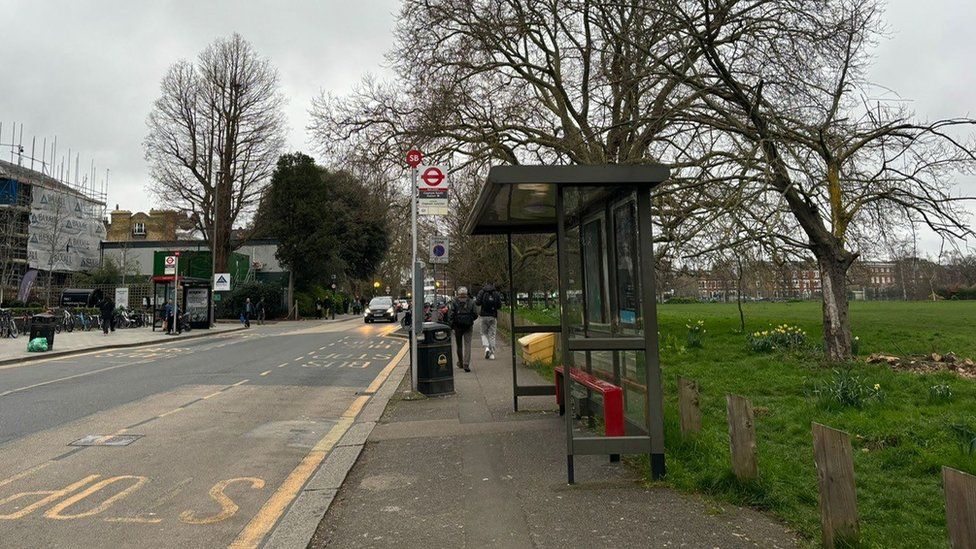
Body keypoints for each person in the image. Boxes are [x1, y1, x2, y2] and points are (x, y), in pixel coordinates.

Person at [448, 287, 478, 372]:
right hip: (468, 326)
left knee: (459, 345)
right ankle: (466, 364)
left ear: (458, 293)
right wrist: (470, 320)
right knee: (468, 345)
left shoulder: (454, 301)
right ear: (466, 293)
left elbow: (451, 314)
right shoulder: (471, 302)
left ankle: (460, 362)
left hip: (457, 326)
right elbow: (475, 314)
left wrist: (451, 326)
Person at [476, 283, 502, 359]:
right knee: (492, 335)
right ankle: (492, 354)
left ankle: (486, 347)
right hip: (493, 316)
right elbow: (499, 305)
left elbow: (477, 302)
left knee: (483, 333)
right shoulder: (496, 293)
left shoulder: (482, 291)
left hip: (483, 316)